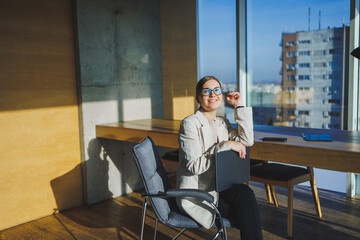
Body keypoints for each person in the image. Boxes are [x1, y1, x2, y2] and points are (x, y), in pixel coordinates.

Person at [176, 76, 263, 240]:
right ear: (198, 97)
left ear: (221, 95)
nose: (212, 94)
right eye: (206, 91)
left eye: (216, 90)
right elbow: (194, 166)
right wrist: (225, 145)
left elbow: (246, 141)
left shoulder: (222, 122)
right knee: (247, 209)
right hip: (199, 194)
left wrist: (240, 106)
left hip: (220, 188)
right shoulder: (189, 124)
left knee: (245, 196)